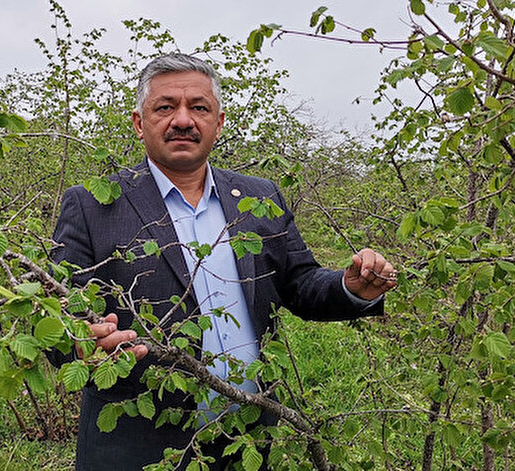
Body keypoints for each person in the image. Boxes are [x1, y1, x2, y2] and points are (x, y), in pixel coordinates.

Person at [51, 53, 396, 471]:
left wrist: (350, 288)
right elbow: (57, 314)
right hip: (135, 446)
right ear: (139, 122)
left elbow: (300, 284)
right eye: (165, 107)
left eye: (199, 107)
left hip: (248, 437)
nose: (183, 120)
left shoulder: (259, 198)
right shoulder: (93, 204)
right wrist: (79, 339)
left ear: (219, 122)